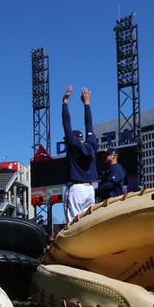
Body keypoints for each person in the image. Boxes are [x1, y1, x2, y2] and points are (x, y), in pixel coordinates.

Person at [62, 86, 99, 223]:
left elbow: (66, 123)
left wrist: (65, 103)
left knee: (72, 226)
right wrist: (86, 104)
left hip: (75, 190)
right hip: (90, 190)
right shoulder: (91, 145)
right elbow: (88, 124)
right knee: (88, 224)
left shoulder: (73, 145)